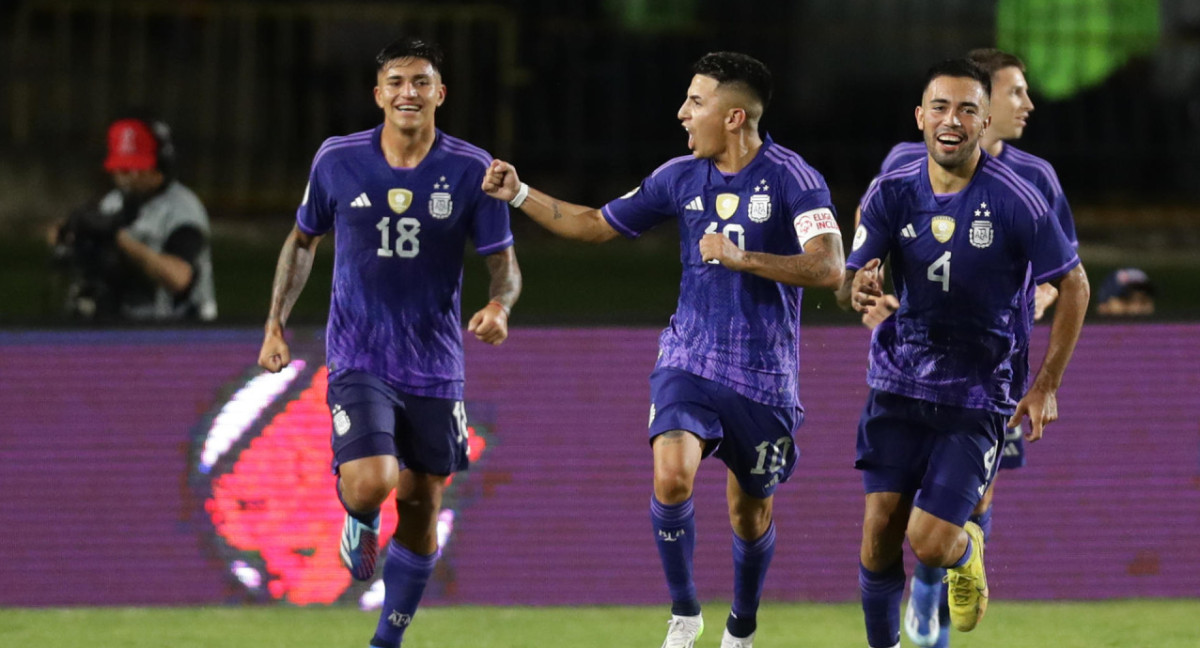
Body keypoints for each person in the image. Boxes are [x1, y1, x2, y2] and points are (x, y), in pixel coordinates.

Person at [483, 51, 844, 648]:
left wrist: (741, 257)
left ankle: (742, 627)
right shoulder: (680, 176)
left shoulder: (794, 179)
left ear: (733, 117)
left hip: (764, 378)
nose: (682, 113)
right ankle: (684, 614)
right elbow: (596, 223)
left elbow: (830, 266)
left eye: (696, 102)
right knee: (671, 475)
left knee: (749, 513)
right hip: (689, 356)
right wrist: (521, 194)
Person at [256, 37, 521, 648]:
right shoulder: (336, 160)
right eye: (397, 82)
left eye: (421, 82)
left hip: (434, 365)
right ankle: (360, 514)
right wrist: (274, 323)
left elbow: (503, 264)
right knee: (375, 481)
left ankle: (388, 639)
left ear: (440, 94)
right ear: (378, 94)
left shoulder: (471, 170)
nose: (409, 92)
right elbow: (302, 243)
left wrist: (500, 306)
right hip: (359, 355)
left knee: (424, 504)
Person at [837, 59, 1088, 648]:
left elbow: (1073, 283)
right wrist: (862, 286)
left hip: (976, 396)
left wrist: (1046, 384)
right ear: (921, 117)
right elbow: (852, 279)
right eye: (942, 108)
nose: (953, 120)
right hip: (897, 384)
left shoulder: (1019, 198)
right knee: (878, 534)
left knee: (928, 542)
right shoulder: (892, 189)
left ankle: (966, 547)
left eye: (968, 110)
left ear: (983, 120)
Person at [51, 116, 217, 321]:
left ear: (160, 166)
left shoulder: (181, 209)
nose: (127, 176)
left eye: (135, 168)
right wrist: (72, 234)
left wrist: (121, 242)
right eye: (120, 168)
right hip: (126, 321)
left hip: (182, 330)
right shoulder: (113, 202)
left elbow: (179, 278)